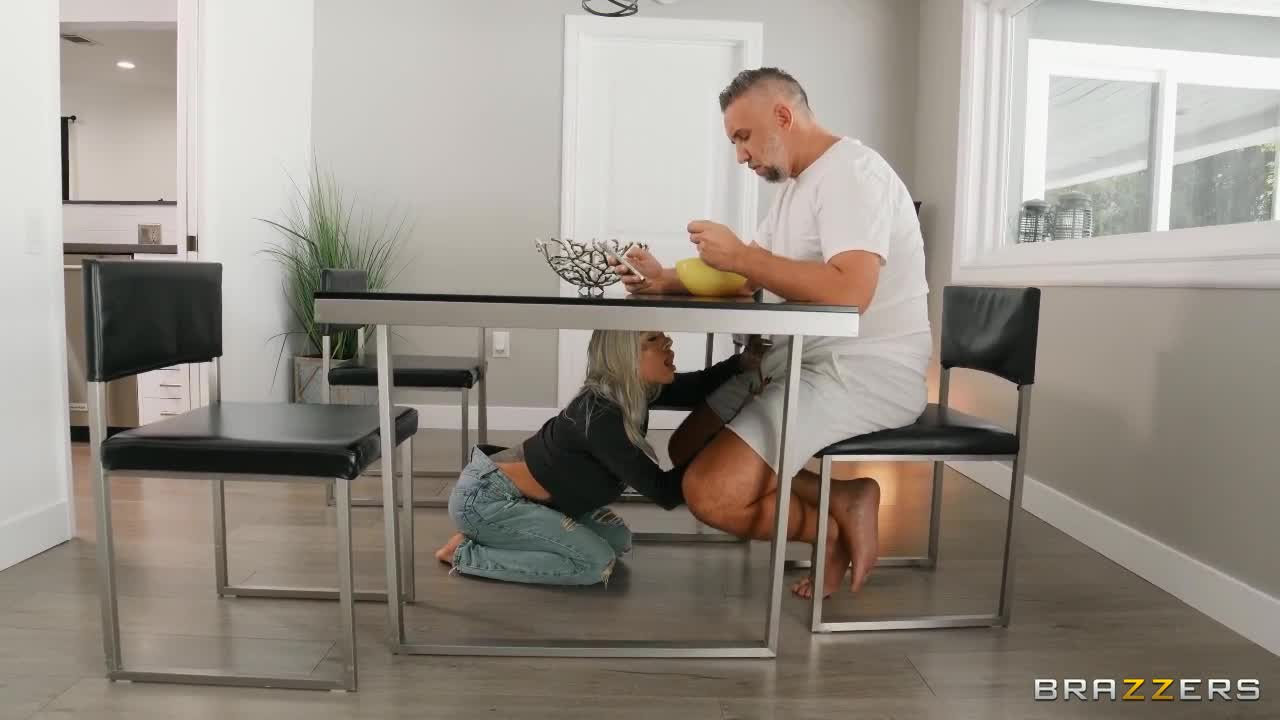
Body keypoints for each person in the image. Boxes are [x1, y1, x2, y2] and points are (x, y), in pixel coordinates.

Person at [609, 67, 932, 599]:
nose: (741, 155)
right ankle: (844, 498)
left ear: (783, 116)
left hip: (861, 372)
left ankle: (829, 532)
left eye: (744, 137)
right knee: (686, 447)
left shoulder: (854, 174)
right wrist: (665, 280)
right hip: (794, 361)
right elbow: (744, 279)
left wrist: (742, 255)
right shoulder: (796, 188)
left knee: (711, 494)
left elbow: (851, 292)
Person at [434, 330, 768, 586]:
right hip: (488, 499)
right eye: (653, 340)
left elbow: (696, 387)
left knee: (618, 540)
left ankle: (508, 535)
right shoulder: (602, 416)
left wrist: (742, 363)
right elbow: (664, 492)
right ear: (624, 356)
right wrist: (725, 449)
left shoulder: (633, 391)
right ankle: (464, 553)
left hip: (541, 501)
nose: (668, 342)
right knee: (595, 564)